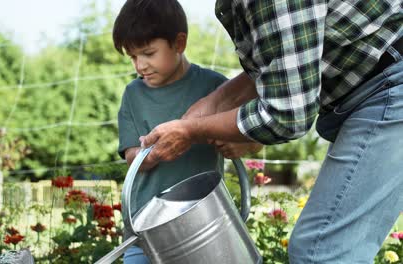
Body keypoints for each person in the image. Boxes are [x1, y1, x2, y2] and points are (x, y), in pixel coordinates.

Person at [140, 0, 403, 263]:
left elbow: (287, 115)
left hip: (392, 84)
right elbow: (287, 60)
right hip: (382, 81)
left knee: (321, 252)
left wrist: (193, 130)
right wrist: (212, 106)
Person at [112, 1, 261, 263]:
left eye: (148, 53)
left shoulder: (215, 87)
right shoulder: (133, 95)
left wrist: (245, 145)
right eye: (133, 57)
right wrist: (153, 154)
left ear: (179, 43)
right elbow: (131, 156)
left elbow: (256, 135)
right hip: (144, 228)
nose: (140, 66)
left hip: (201, 220)